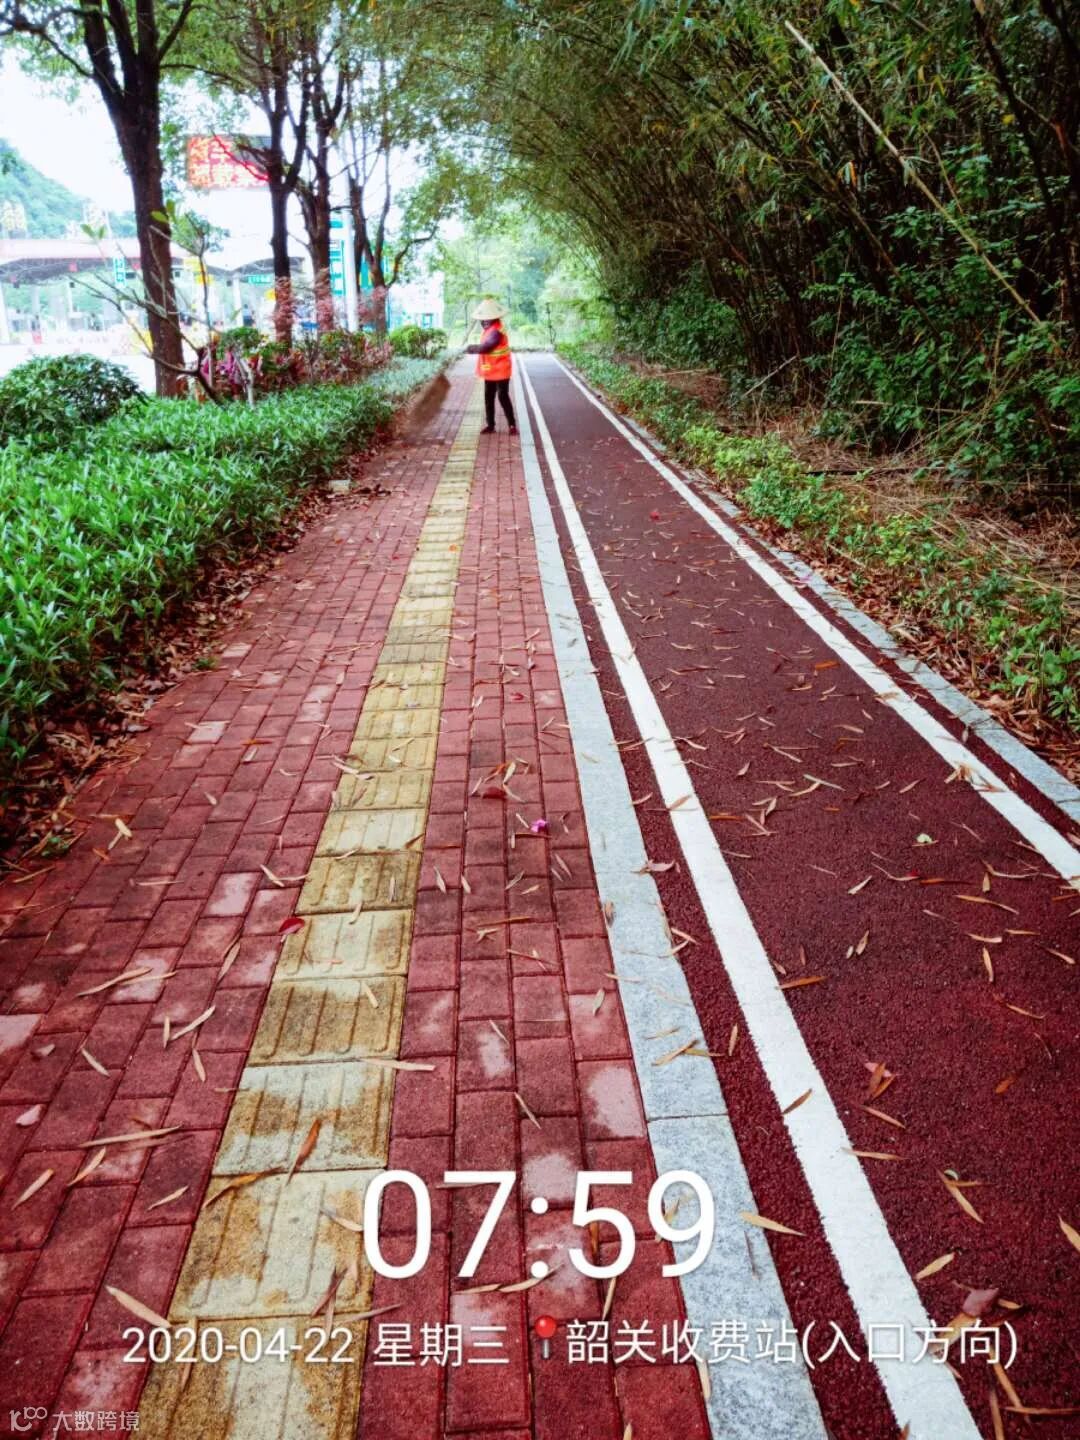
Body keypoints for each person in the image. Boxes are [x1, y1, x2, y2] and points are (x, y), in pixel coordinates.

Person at [466, 298, 517, 434]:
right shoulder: (490, 328)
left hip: (501, 369)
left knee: (502, 396)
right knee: (488, 397)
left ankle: (512, 425)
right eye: (482, 319)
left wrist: (470, 348)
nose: (484, 322)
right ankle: (490, 425)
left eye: (486, 319)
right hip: (491, 369)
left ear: (494, 318)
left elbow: (487, 347)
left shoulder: (497, 331)